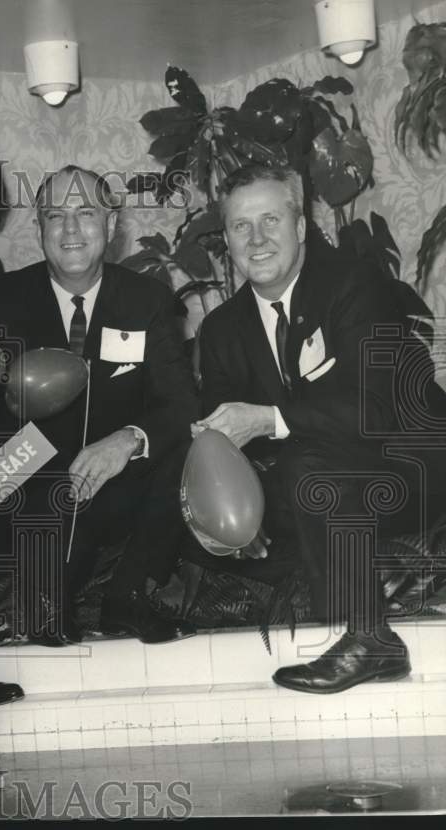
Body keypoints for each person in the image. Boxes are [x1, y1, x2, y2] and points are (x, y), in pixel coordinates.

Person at [0, 166, 198, 646]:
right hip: (33, 494)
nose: (71, 230)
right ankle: (33, 599)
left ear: (112, 226)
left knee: (187, 449)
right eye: (56, 216)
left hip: (120, 487)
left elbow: (181, 403)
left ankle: (129, 597)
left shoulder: (149, 301)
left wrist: (127, 440)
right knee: (43, 614)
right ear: (38, 229)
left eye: (86, 214)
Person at [195, 163, 446, 693]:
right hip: (320, 482)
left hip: (413, 463)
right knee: (220, 520)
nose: (258, 239)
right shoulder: (220, 330)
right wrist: (235, 507)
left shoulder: (356, 285)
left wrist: (268, 418)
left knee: (309, 469)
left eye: (271, 220)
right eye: (241, 226)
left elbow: (377, 412)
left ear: (301, 226)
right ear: (227, 238)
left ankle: (367, 639)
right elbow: (224, 442)